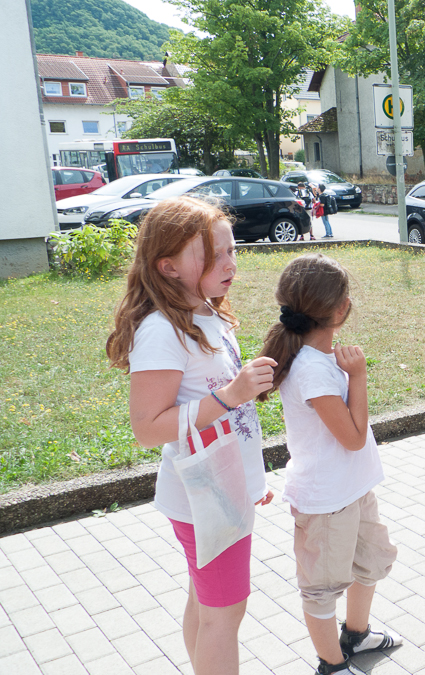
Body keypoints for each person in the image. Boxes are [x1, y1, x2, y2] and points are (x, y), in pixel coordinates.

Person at [106, 196, 278, 675]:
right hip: (204, 497)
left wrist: (250, 479)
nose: (230, 264)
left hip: (221, 489)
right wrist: (232, 393)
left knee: (207, 605)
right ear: (168, 267)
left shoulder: (209, 313)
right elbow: (146, 428)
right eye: (211, 255)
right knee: (225, 615)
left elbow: (227, 418)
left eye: (231, 250)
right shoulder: (163, 331)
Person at [256, 253, 400, 675]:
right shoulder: (312, 370)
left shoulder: (316, 360)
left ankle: (356, 635)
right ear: (341, 309)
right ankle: (332, 665)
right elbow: (353, 439)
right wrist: (358, 376)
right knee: (320, 589)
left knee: (368, 562)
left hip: (352, 489)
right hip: (325, 500)